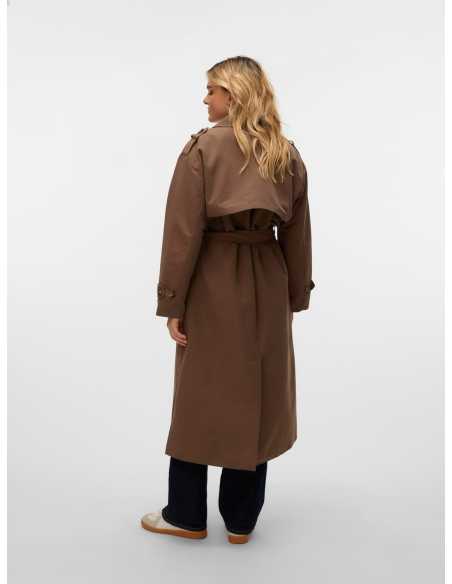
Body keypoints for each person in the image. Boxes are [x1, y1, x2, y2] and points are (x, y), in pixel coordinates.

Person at [141, 56, 315, 544]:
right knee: (257, 394)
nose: (205, 99)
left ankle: (186, 514)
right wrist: (294, 296)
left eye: (212, 90)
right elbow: (298, 232)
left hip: (213, 280)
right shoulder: (285, 152)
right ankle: (241, 521)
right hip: (269, 279)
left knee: (199, 395)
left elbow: (182, 233)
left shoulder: (202, 148)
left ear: (233, 95)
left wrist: (173, 302)